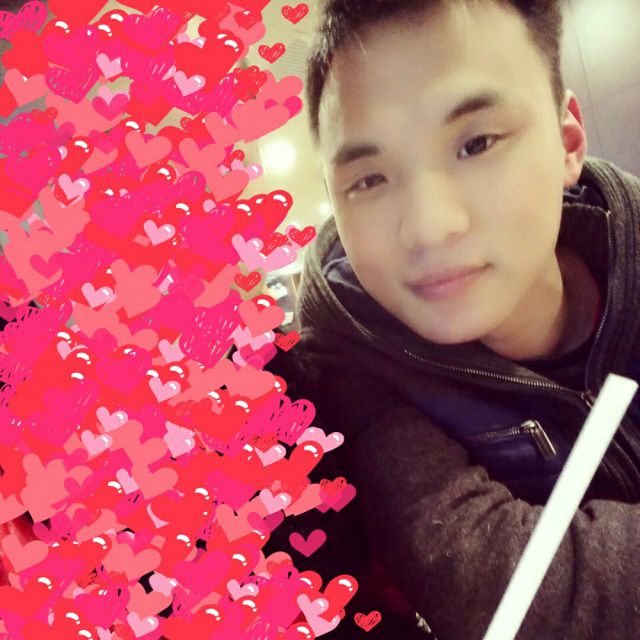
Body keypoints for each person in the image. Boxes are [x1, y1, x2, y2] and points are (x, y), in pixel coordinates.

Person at [293, 0, 640, 638]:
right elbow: (502, 594)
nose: (430, 227)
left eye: (476, 144)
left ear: (567, 142)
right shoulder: (352, 358)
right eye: (370, 180)